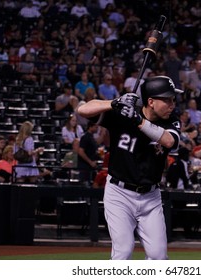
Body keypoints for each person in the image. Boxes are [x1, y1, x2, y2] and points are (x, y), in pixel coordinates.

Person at [78, 75, 182, 260]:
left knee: (159, 256)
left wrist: (138, 120)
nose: (172, 104)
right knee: (123, 252)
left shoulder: (170, 120)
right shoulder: (123, 114)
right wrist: (114, 102)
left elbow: (169, 141)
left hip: (151, 196)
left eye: (173, 99)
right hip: (119, 193)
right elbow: (83, 109)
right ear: (150, 101)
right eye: (167, 99)